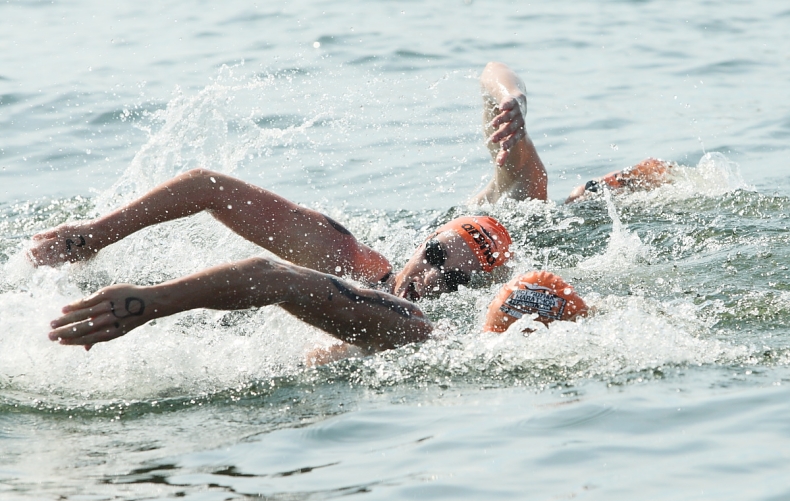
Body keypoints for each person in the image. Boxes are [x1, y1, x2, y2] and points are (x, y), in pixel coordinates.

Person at [34, 62, 646, 362]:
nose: (433, 274)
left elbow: (268, 278)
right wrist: (93, 235)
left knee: (602, 191)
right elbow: (208, 187)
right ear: (423, 242)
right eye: (435, 254)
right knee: (593, 193)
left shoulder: (411, 323)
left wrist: (150, 302)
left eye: (453, 277)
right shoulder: (357, 258)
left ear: (472, 292)